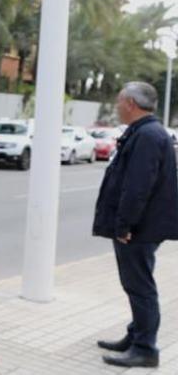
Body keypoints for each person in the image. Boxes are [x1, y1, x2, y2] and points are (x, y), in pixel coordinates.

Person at [93, 81, 178, 368]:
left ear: (130, 103)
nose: (117, 106)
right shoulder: (146, 132)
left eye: (119, 101)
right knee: (137, 285)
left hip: (139, 229)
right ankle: (136, 335)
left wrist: (124, 225)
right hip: (142, 227)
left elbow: (138, 186)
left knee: (140, 287)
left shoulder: (148, 136)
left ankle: (145, 349)